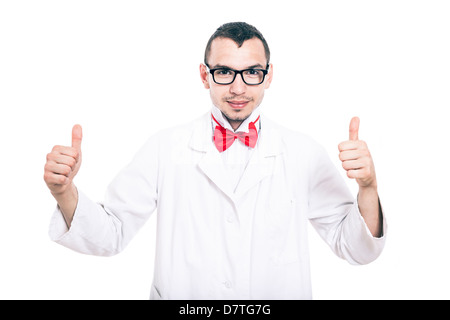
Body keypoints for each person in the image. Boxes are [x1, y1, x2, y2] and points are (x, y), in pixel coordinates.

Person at [44, 22, 386, 299]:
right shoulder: (166, 147)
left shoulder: (303, 152)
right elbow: (110, 234)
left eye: (251, 72)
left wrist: (368, 187)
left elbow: (356, 248)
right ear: (205, 75)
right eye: (224, 71)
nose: (238, 87)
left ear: (268, 76)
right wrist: (65, 191)